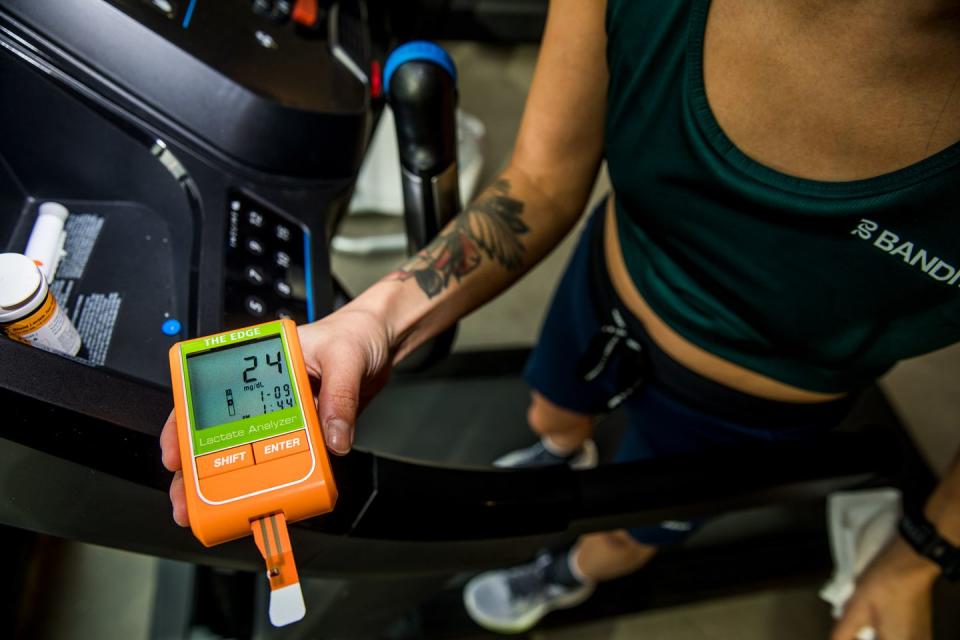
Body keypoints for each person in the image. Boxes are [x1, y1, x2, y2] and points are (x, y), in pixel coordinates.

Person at [162, 0, 960, 636]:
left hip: (755, 409)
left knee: (621, 536)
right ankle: (559, 453)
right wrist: (380, 315)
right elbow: (540, 185)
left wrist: (916, 558)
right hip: (607, 292)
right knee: (553, 411)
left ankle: (566, 573)